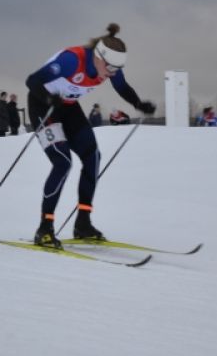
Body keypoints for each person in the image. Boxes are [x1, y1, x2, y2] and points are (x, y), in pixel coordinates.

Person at [25, 23, 156, 249]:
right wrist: (49, 99)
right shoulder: (71, 60)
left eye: (117, 68)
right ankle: (44, 228)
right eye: (110, 68)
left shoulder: (110, 66)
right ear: (98, 56)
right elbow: (33, 81)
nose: (112, 73)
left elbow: (122, 86)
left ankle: (83, 223)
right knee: (62, 162)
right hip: (43, 106)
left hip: (67, 107)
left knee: (92, 156)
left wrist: (138, 104)